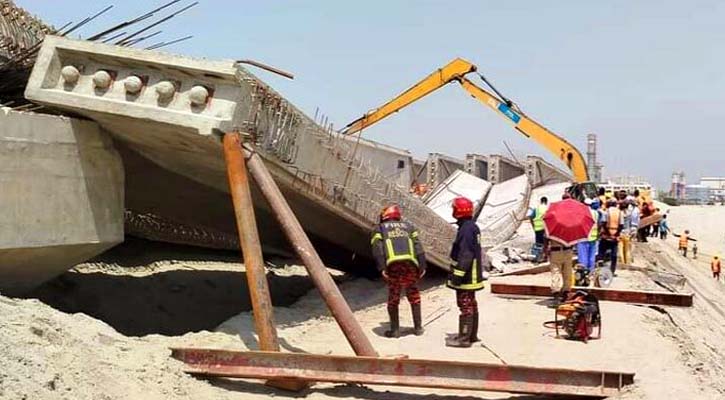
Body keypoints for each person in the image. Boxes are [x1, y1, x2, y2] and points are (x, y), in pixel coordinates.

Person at [371, 204, 427, 338]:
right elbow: (418, 246)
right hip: (410, 264)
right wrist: (422, 266)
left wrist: (381, 267)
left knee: (394, 296)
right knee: (413, 295)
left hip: (393, 266)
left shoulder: (379, 229)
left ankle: (395, 330)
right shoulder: (409, 227)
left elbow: (377, 249)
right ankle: (418, 328)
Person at [446, 196, 486, 348]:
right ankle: (472, 336)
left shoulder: (466, 229)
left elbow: (466, 254)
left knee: (465, 306)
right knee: (471, 304)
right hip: (472, 274)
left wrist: (457, 275)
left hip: (467, 276)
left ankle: (464, 339)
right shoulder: (471, 227)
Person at [599, 198, 623, 275]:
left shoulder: (606, 212)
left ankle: (600, 270)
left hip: (606, 236)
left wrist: (608, 233)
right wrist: (615, 234)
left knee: (601, 253)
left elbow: (603, 223)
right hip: (615, 236)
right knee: (614, 255)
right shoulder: (620, 212)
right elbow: (621, 225)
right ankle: (612, 271)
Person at [576, 199, 600, 274]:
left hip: (583, 236)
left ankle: (583, 272)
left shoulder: (582, 213)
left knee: (583, 256)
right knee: (591, 256)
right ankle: (591, 271)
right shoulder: (596, 213)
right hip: (593, 236)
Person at [527, 197, 549, 263]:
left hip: (538, 229)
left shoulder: (536, 209)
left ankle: (539, 257)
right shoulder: (548, 208)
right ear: (546, 202)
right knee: (546, 244)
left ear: (540, 201)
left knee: (539, 244)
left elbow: (530, 217)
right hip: (546, 229)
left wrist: (533, 226)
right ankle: (545, 257)